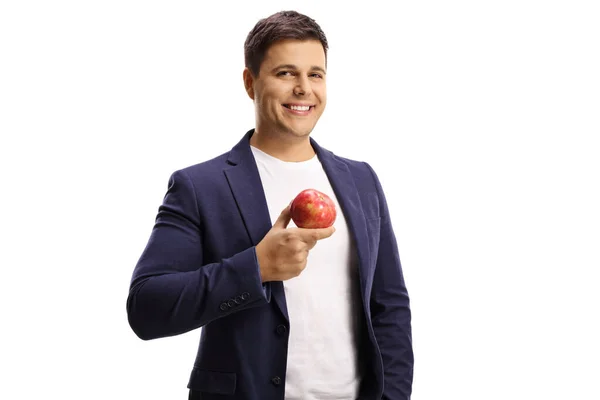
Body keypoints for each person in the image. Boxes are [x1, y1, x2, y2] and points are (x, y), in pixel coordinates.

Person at [127, 10, 413, 400]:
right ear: (250, 82)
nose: (303, 88)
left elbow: (390, 305)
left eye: (315, 74)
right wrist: (256, 267)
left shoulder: (361, 180)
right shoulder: (199, 186)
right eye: (285, 73)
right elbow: (146, 308)